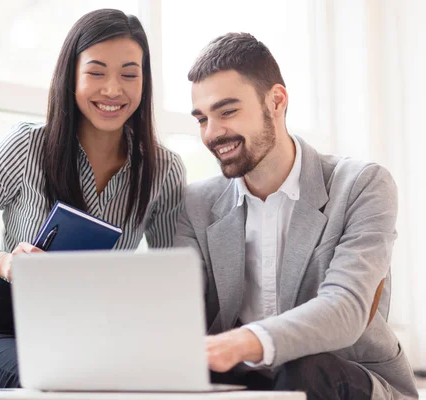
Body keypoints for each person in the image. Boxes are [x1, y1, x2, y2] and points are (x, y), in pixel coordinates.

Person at [0, 8, 185, 388]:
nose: (113, 89)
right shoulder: (26, 146)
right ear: (71, 76)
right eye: (96, 72)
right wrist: (5, 263)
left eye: (129, 74)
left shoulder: (163, 169)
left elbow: (171, 280)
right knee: (66, 381)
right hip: (0, 331)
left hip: (90, 341)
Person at [175, 32, 418, 399]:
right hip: (247, 380)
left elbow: (346, 308)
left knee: (303, 369)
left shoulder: (361, 185)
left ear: (276, 101)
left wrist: (243, 342)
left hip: (340, 374)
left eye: (227, 111)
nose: (212, 133)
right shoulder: (196, 204)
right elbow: (181, 315)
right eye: (202, 118)